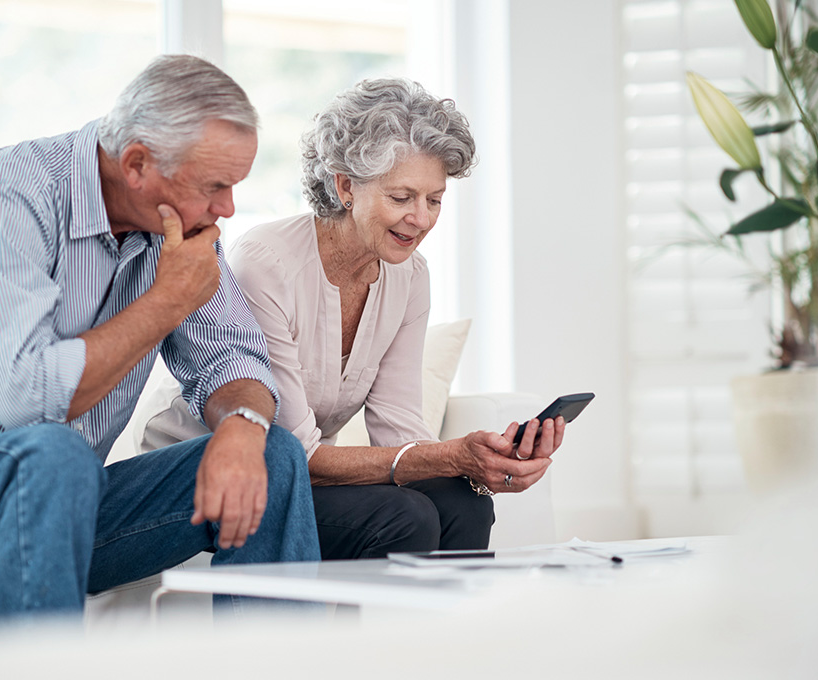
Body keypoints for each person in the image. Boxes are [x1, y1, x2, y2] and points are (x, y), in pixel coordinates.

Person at [0, 55, 321, 626]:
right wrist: (168, 300)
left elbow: (232, 356)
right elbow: (28, 399)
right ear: (136, 164)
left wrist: (242, 427)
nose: (226, 210)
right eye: (215, 187)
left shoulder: (176, 225)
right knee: (54, 452)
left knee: (274, 452)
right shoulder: (8, 193)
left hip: (58, 501)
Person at [142, 78, 564, 560]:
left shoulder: (409, 276)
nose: (422, 219)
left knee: (463, 504)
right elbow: (295, 455)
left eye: (435, 199)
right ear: (345, 186)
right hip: (228, 470)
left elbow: (401, 432)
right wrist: (451, 455)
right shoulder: (267, 263)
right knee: (407, 516)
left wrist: (484, 462)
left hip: (307, 470)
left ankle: (450, 638)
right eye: (402, 197)